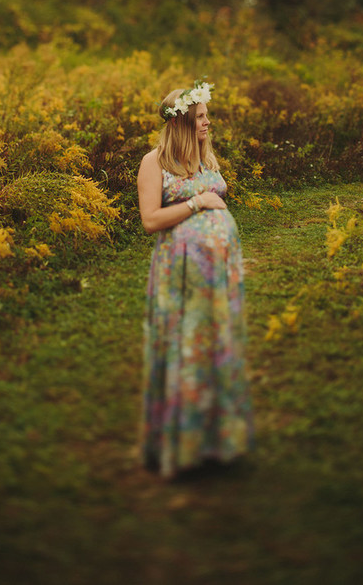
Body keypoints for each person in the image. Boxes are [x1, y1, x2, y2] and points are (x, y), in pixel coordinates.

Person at [137, 80, 254, 479]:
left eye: (206, 116)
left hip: (218, 273)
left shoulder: (206, 156)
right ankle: (182, 444)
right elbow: (151, 220)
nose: (207, 123)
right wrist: (196, 203)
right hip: (181, 271)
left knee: (216, 345)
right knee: (186, 347)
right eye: (201, 117)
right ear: (183, 123)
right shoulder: (154, 162)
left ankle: (217, 439)